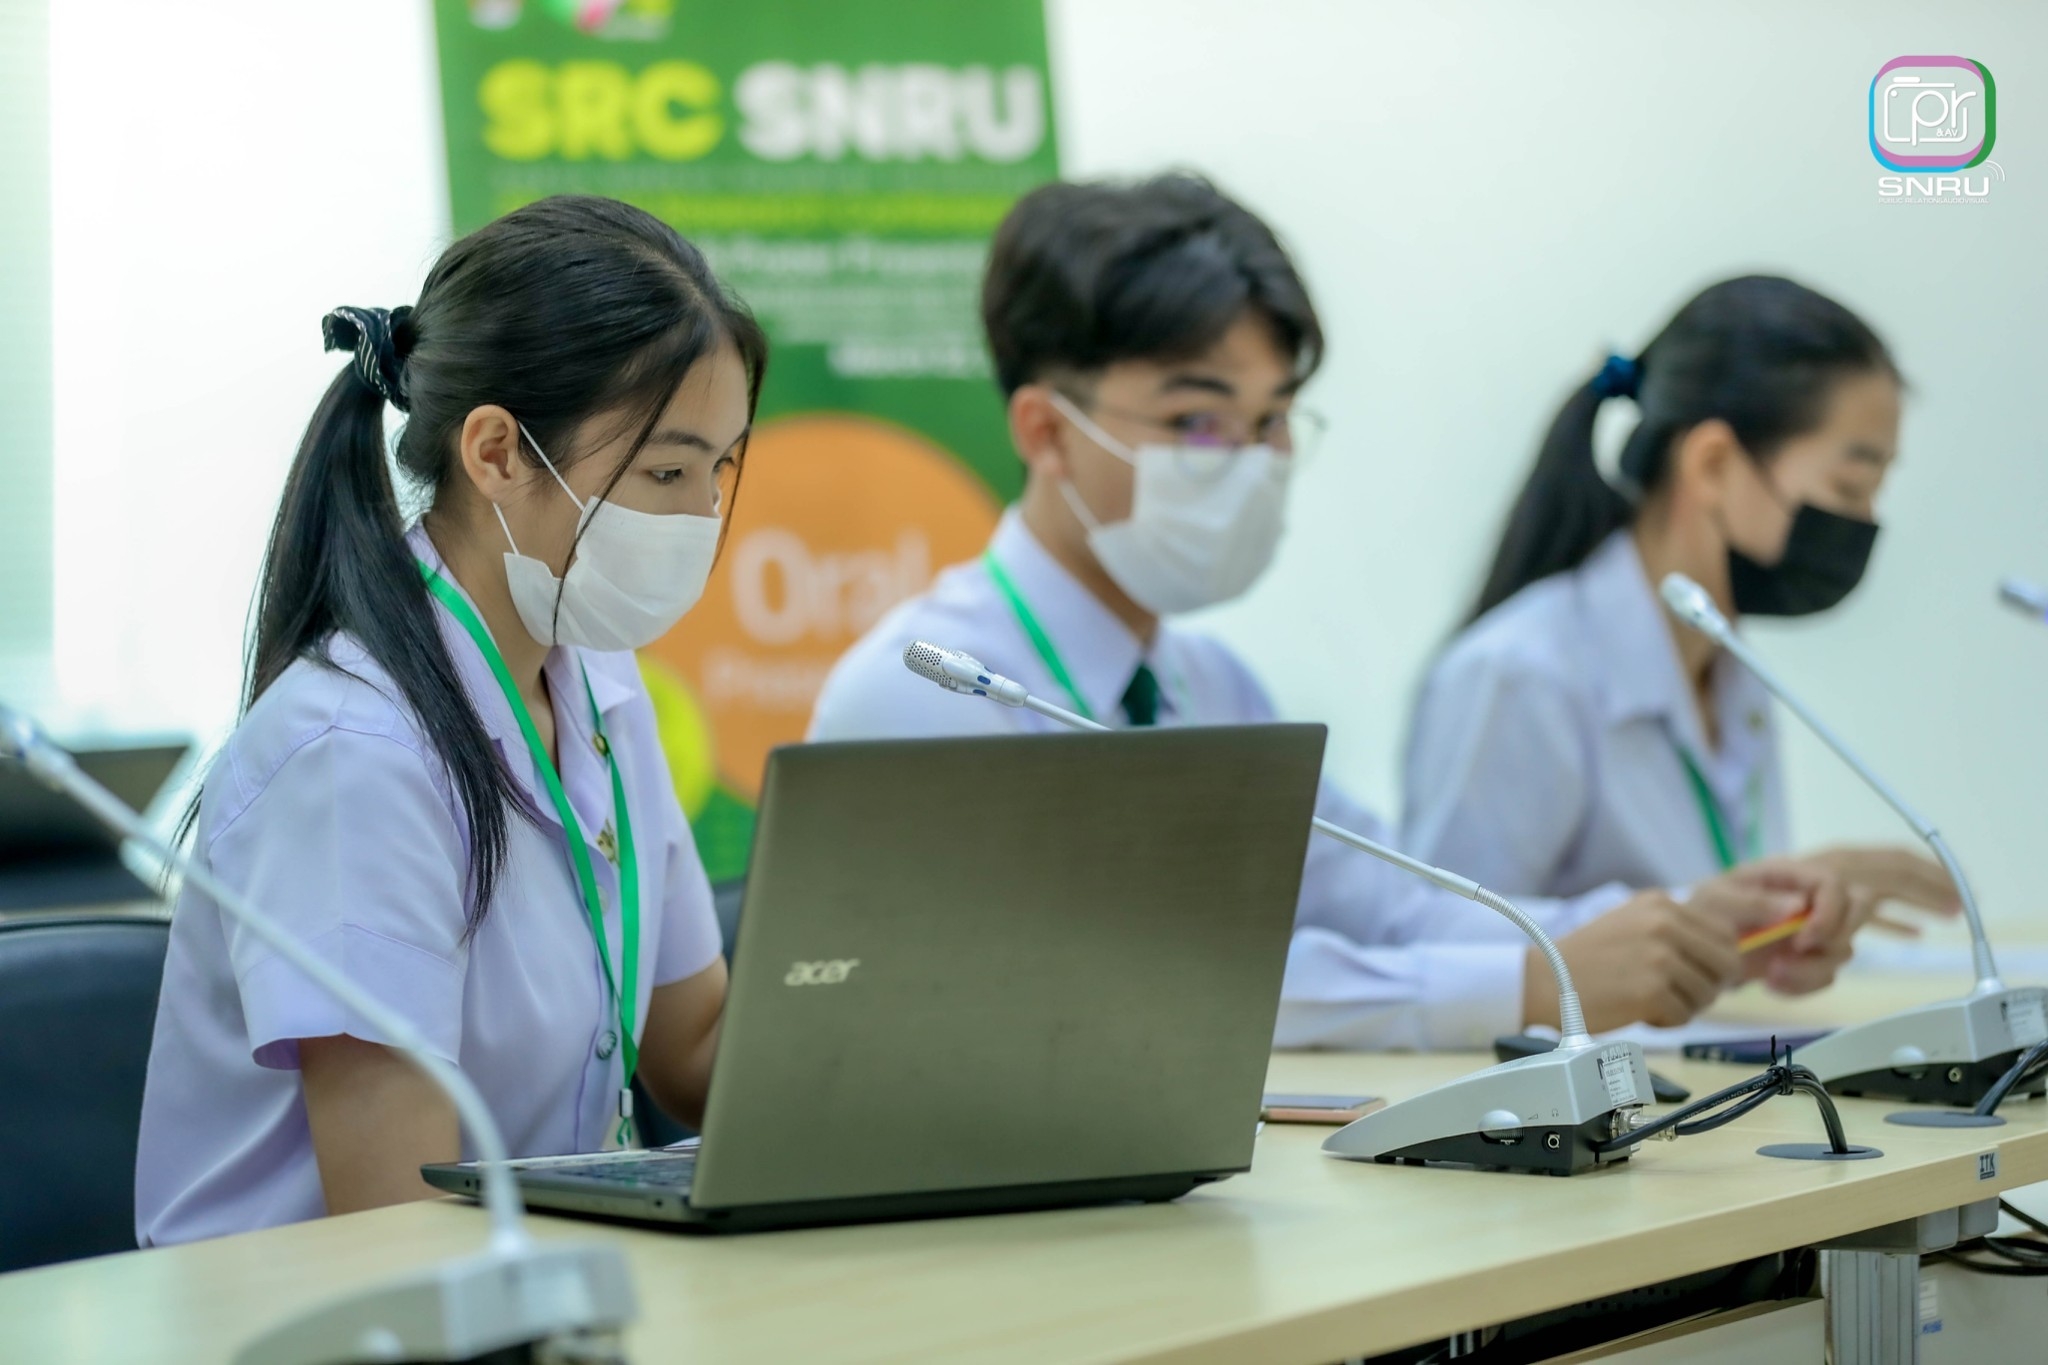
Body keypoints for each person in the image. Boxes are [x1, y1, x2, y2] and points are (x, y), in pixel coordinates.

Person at [808, 177, 1854, 1051]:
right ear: (1046, 431)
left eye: (1271, 420)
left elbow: (1401, 902)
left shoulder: (1211, 687)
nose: (1251, 462)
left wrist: (1683, 927)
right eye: (1197, 419)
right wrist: (1529, 984)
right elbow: (1110, 988)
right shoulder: (926, 689)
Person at [135, 195, 766, 1245]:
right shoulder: (355, 755)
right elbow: (400, 1220)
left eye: (720, 469)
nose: (702, 515)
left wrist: (909, 1023)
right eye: (666, 470)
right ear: (497, 453)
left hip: (535, 1278)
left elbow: (692, 1049)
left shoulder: (598, 681)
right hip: (330, 1310)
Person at [1403, 275, 1957, 962]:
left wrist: (1788, 927)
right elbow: (1449, 956)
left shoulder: (1729, 671)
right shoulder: (1521, 674)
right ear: (1713, 463)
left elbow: (1707, 947)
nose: (1865, 522)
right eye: (1849, 486)